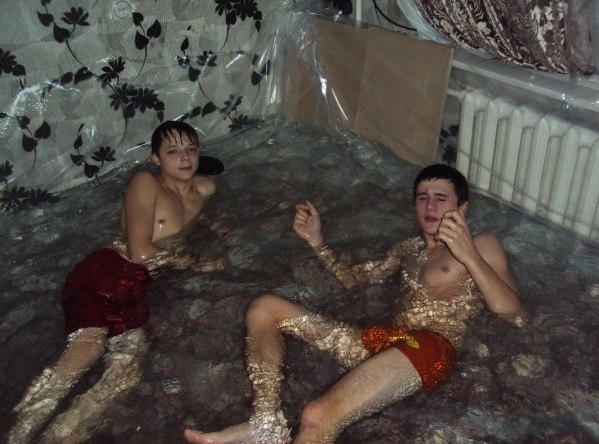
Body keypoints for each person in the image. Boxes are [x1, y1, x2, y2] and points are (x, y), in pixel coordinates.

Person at [183, 164, 525, 444]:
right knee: (265, 307)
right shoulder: (407, 250)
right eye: (423, 198)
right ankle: (265, 423)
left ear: (462, 208)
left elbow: (514, 314)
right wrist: (318, 242)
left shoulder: (482, 244)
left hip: (432, 348)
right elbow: (352, 279)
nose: (430, 207)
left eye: (441, 198)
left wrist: (468, 254)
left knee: (317, 416)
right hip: (388, 341)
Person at [9, 120, 225, 444]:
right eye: (173, 151)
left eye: (191, 149)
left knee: (125, 374)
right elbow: (139, 252)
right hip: (107, 269)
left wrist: (220, 231)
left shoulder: (205, 190)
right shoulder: (145, 182)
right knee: (88, 348)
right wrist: (196, 262)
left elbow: (200, 211)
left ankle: (57, 437)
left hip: (135, 286)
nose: (184, 157)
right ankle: (18, 434)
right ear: (155, 158)